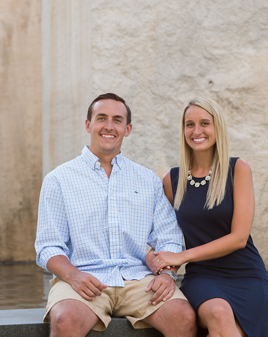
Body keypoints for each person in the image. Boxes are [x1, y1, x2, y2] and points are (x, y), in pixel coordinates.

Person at [35, 93, 197, 337]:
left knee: (183, 316)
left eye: (117, 120)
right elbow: (48, 247)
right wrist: (74, 276)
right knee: (65, 318)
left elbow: (169, 238)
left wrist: (167, 274)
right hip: (83, 278)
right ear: (88, 124)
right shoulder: (59, 180)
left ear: (127, 129)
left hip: (139, 280)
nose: (109, 126)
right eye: (101, 118)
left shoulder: (147, 180)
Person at [149, 97, 268, 337]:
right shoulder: (172, 181)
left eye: (204, 123)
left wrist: (182, 256)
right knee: (219, 313)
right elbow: (160, 233)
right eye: (190, 124)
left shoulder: (238, 170)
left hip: (246, 274)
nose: (196, 131)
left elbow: (239, 238)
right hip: (203, 276)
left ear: (217, 128)